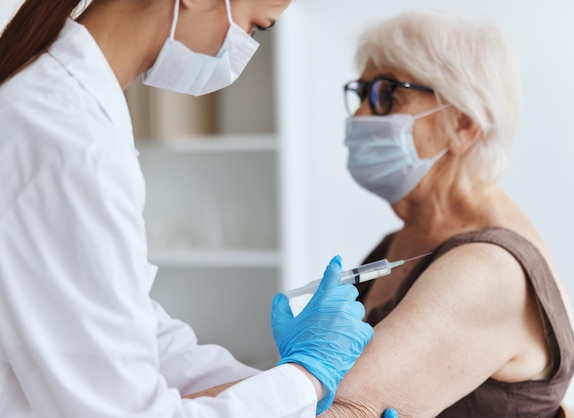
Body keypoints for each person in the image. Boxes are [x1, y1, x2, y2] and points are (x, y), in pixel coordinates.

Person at [0, 1, 392, 417]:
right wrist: (306, 376)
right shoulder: (68, 139)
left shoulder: (68, 109)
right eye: (255, 28)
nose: (241, 49)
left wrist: (292, 390)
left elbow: (136, 333)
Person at [321, 9, 574, 418]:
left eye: (387, 94)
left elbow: (344, 407)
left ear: (462, 124)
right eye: (361, 92)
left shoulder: (489, 268)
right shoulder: (405, 238)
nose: (358, 117)